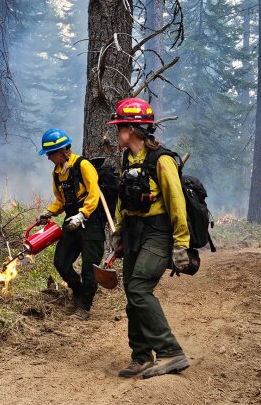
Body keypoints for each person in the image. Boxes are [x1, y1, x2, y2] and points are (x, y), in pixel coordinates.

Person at [108, 98, 194, 379]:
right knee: (132, 293)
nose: (116, 131)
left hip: (158, 232)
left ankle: (171, 352)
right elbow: (123, 198)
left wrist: (181, 244)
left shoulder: (162, 159)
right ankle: (141, 356)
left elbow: (176, 202)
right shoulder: (127, 158)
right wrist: (119, 230)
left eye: (119, 126)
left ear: (132, 129)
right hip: (134, 231)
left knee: (139, 289)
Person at [37, 129, 105, 320]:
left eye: (50, 154)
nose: (48, 158)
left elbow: (94, 194)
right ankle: (78, 291)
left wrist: (83, 214)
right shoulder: (57, 173)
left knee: (89, 267)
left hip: (90, 221)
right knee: (61, 261)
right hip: (71, 220)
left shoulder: (83, 165)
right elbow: (61, 200)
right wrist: (49, 211)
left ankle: (84, 306)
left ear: (61, 151)